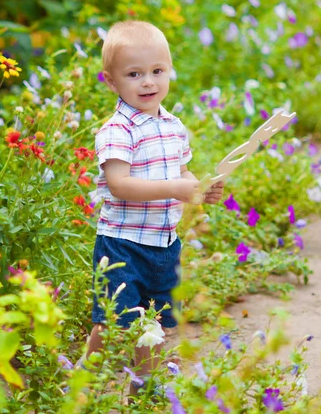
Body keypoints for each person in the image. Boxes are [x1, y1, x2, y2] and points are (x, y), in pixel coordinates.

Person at [81, 20, 224, 396]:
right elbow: (119, 184)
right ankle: (85, 375)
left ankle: (144, 385)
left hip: (164, 243)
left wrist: (197, 187)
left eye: (157, 71)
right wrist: (175, 187)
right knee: (114, 320)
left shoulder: (173, 125)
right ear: (111, 81)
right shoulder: (117, 130)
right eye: (134, 74)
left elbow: (181, 171)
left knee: (155, 320)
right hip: (122, 244)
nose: (148, 82)